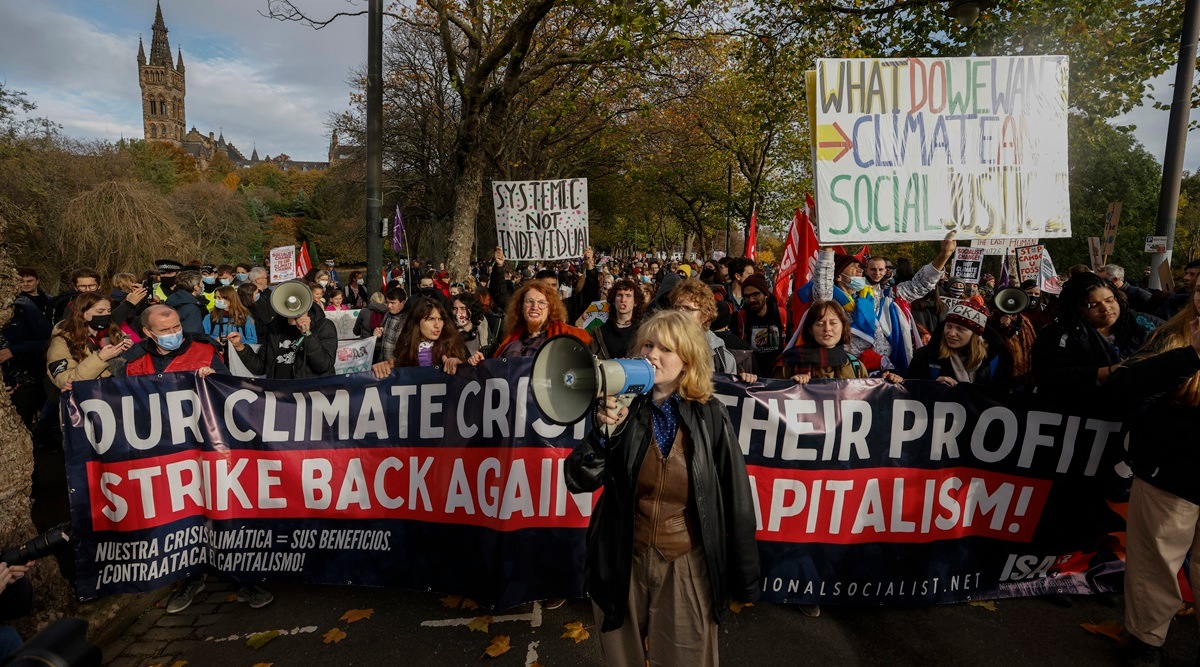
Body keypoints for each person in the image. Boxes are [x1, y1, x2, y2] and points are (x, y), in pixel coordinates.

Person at [564, 310, 760, 665]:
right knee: (622, 657)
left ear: (687, 360)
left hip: (685, 562)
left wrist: (746, 575)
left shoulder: (710, 414)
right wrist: (603, 435)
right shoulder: (621, 407)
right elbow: (579, 479)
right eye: (648, 345)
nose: (653, 355)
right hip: (624, 558)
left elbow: (737, 496)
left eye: (666, 349)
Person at [1107, 285, 1200, 665]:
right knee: (1154, 562)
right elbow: (1123, 388)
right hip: (1170, 474)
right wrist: (1192, 356)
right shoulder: (1171, 335)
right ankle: (1146, 642)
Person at [1031, 272, 1158, 394]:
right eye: (1093, 305)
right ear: (1076, 307)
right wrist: (1113, 371)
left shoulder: (1141, 322)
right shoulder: (1058, 336)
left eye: (1109, 300)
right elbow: (1051, 377)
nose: (1105, 308)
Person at [228, 285, 338, 379]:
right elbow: (261, 367)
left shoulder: (323, 326)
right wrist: (240, 346)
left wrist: (308, 334)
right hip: (281, 394)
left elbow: (323, 365)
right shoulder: (275, 328)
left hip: (309, 393)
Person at [906, 301, 1010, 387]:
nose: (951, 333)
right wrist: (932, 386)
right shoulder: (924, 356)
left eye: (960, 329)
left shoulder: (996, 360)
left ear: (975, 335)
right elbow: (908, 392)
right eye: (948, 326)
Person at [485, 279, 591, 361]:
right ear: (521, 307)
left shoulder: (566, 336)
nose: (535, 307)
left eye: (541, 302)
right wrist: (482, 365)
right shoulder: (511, 341)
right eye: (529, 301)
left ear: (550, 309)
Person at [45, 292, 131, 390]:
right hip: (88, 398)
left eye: (109, 311)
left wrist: (130, 351)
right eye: (100, 311)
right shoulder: (62, 341)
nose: (106, 315)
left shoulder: (115, 333)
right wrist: (100, 358)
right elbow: (65, 379)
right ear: (84, 314)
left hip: (118, 393)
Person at [371, 297, 468, 378]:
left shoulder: (453, 345)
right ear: (417, 322)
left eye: (440, 319)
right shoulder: (405, 348)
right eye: (430, 319)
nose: (437, 325)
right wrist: (381, 369)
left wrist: (461, 366)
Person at [124, 305, 227, 378]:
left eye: (177, 326)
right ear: (148, 332)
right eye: (164, 330)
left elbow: (229, 388)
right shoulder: (134, 359)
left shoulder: (205, 353)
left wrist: (214, 378)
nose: (173, 333)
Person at [782, 300, 870, 383]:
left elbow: (868, 395)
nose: (827, 329)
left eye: (833, 323)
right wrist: (790, 385)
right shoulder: (790, 363)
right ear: (810, 330)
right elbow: (773, 393)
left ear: (843, 327)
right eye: (820, 324)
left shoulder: (855, 365)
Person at [732, 274, 785, 376]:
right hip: (750, 378)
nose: (751, 300)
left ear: (765, 294)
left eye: (755, 294)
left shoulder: (782, 315)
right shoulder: (738, 318)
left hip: (778, 377)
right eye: (747, 296)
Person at [591, 278, 645, 360]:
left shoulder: (643, 330)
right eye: (619, 295)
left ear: (636, 302)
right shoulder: (600, 331)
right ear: (613, 300)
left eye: (628, 296)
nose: (623, 300)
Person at [450, 292, 491, 358]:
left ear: (472, 310)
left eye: (463, 308)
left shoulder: (485, 334)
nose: (458, 312)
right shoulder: (448, 336)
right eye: (455, 309)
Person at [374, 287, 408, 362]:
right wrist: (380, 334)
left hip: (398, 365)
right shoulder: (387, 314)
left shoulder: (408, 319)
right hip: (383, 360)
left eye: (393, 303)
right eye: (387, 302)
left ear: (402, 302)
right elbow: (384, 332)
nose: (389, 306)